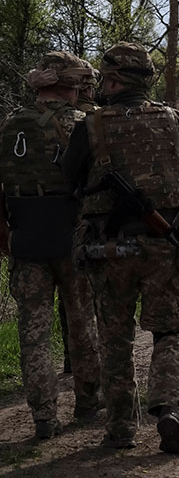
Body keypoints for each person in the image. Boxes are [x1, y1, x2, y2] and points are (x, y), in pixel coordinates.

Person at [62, 41, 179, 453]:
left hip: (107, 251)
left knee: (115, 340)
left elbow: (67, 181)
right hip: (164, 248)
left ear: (113, 79)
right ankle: (169, 407)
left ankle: (120, 429)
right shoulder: (177, 121)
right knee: (169, 332)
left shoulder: (90, 126)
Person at [0, 51, 101, 439]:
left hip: (25, 236)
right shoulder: (85, 125)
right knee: (83, 324)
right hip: (73, 237)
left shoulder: (10, 126)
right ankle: (88, 402)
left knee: (33, 332)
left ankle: (44, 415)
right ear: (69, 86)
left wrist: (7, 237)